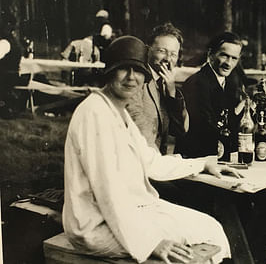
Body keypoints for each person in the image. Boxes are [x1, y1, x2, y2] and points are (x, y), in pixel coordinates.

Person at [62, 35, 237, 264]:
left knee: (210, 227)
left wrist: (202, 163)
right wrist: (151, 241)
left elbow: (151, 161)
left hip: (128, 210)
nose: (131, 77)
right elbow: (108, 191)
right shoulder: (94, 112)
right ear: (108, 72)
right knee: (197, 241)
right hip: (95, 224)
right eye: (122, 69)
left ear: (146, 75)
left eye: (137, 70)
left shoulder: (118, 111)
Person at [175, 32, 244, 159]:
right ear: (210, 54)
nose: (228, 63)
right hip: (197, 158)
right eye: (224, 56)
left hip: (220, 154)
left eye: (234, 58)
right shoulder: (196, 83)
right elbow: (205, 128)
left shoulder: (230, 84)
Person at [127, 23, 188, 155]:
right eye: (162, 51)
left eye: (173, 54)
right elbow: (138, 125)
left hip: (157, 162)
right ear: (148, 50)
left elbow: (180, 130)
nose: (168, 59)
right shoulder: (136, 79)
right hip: (140, 158)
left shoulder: (167, 84)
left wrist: (172, 93)